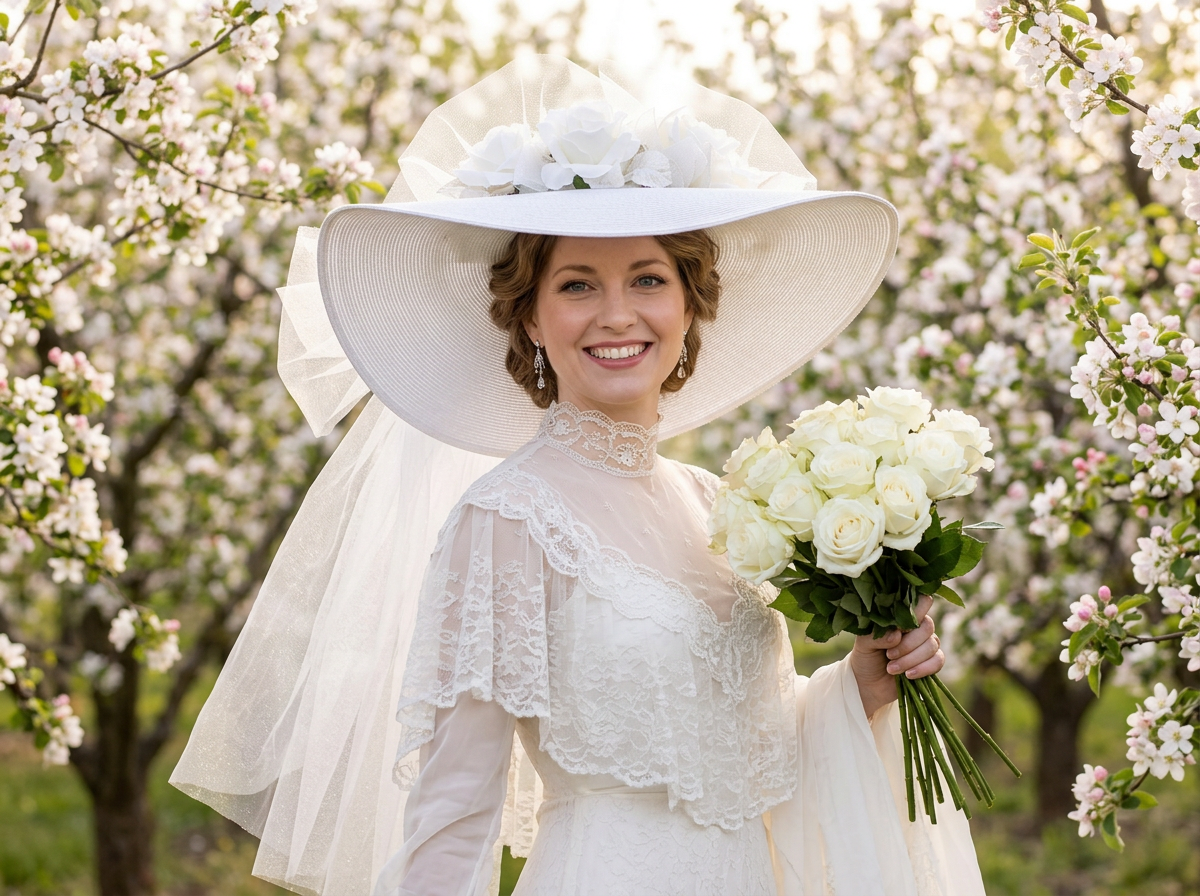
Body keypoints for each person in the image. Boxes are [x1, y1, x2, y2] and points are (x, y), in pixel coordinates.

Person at [170, 56, 985, 896]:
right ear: (530, 316)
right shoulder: (507, 521)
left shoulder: (717, 505)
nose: (618, 314)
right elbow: (454, 814)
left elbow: (751, 761)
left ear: (688, 302)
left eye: (648, 278)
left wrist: (864, 680)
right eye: (577, 284)